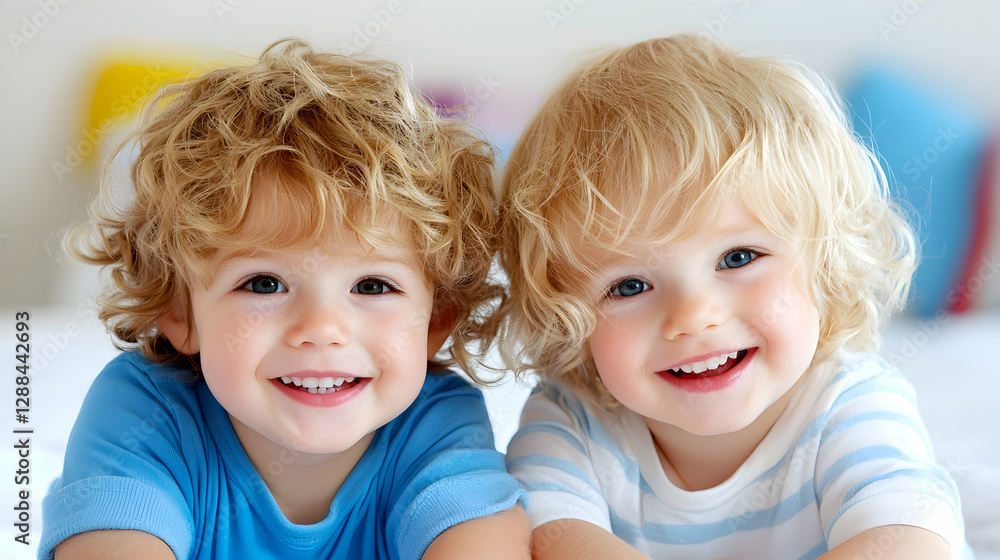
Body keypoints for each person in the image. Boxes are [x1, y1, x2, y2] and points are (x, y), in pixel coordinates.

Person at [40, 38, 529, 560]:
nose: (321, 327)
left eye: (372, 286)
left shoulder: (434, 423)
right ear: (180, 312)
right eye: (264, 284)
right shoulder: (148, 411)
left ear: (437, 320)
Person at [498, 34, 970, 559]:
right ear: (565, 320)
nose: (695, 316)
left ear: (823, 261)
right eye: (629, 286)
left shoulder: (848, 403)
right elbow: (548, 539)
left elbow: (908, 540)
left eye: (738, 258)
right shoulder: (573, 422)